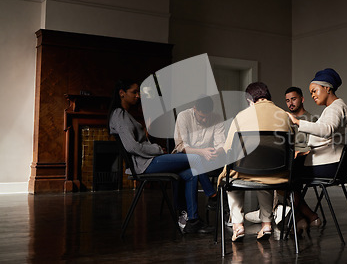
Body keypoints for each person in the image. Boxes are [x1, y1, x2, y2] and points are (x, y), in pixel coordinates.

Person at [108, 79, 215, 234]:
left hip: (148, 161)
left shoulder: (125, 115)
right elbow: (132, 146)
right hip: (145, 164)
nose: (138, 96)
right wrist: (157, 149)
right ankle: (213, 195)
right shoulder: (119, 115)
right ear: (121, 93)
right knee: (196, 158)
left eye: (138, 92)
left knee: (192, 173)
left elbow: (137, 142)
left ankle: (193, 220)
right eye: (134, 92)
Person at [218, 82, 292, 242]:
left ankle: (238, 225)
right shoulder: (284, 115)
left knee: (232, 178)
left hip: (245, 172)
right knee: (265, 177)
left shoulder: (241, 116)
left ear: (250, 100)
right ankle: (266, 224)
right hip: (277, 173)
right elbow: (292, 145)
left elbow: (228, 149)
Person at [286, 68, 347, 235]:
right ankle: (306, 217)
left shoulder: (335, 108)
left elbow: (327, 129)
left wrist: (297, 122)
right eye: (311, 93)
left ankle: (299, 218)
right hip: (335, 165)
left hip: (329, 166)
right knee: (292, 173)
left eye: (315, 91)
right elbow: (330, 140)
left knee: (285, 175)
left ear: (327, 88)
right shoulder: (338, 106)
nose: (313, 95)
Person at [244, 86, 317, 225]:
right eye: (287, 100)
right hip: (286, 159)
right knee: (273, 168)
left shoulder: (310, 120)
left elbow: (314, 146)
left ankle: (290, 214)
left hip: (303, 161)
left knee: (278, 176)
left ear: (302, 99)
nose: (290, 103)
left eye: (293, 99)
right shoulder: (284, 118)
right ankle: (283, 212)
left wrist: (299, 152)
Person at [173, 95, 226, 210]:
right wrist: (202, 152)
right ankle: (212, 194)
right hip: (185, 157)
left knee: (225, 161)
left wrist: (216, 152)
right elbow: (181, 146)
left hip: (207, 157)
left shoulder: (216, 118)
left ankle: (226, 211)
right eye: (202, 117)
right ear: (194, 109)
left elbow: (222, 145)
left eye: (207, 117)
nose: (205, 120)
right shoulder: (183, 116)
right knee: (194, 163)